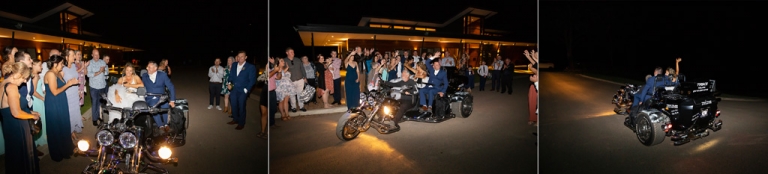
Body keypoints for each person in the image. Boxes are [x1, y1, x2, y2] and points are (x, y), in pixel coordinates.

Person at [1, 61, 41, 173]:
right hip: (18, 127)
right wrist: (32, 116)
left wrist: (30, 111)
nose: (24, 81)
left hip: (8, 126)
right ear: (18, 75)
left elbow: (8, 107)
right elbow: (16, 113)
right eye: (24, 78)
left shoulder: (2, 84)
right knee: (23, 155)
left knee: (14, 155)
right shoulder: (12, 87)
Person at [44, 55, 78, 162]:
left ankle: (66, 149)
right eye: (61, 63)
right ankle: (58, 152)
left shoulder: (58, 73)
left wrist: (70, 82)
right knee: (56, 127)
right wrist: (68, 84)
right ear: (55, 64)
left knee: (64, 125)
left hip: (61, 101)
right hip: (54, 104)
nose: (63, 65)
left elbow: (61, 87)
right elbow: (54, 92)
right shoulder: (50, 74)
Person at [141, 61, 176, 132]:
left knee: (165, 105)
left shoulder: (162, 75)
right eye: (147, 67)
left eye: (149, 67)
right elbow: (140, 85)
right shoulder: (144, 76)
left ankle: (166, 124)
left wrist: (172, 100)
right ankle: (160, 126)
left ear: (155, 68)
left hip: (161, 97)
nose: (147, 68)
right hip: (150, 98)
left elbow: (171, 86)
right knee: (153, 108)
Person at [226, 51, 256, 130]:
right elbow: (231, 76)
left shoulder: (250, 67)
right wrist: (230, 84)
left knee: (241, 106)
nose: (240, 58)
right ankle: (235, 119)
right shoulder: (234, 64)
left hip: (243, 90)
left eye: (242, 56)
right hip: (234, 89)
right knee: (233, 105)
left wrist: (246, 89)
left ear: (246, 57)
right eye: (239, 56)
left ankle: (241, 123)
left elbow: (252, 80)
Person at [62, 50, 83, 136]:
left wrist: (79, 91)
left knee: (75, 112)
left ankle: (74, 129)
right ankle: (70, 132)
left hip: (75, 93)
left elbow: (75, 79)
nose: (74, 57)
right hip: (68, 94)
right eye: (72, 55)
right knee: (70, 114)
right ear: (66, 57)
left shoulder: (74, 66)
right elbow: (60, 83)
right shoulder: (62, 68)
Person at [87, 49, 108, 126]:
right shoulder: (89, 63)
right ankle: (94, 119)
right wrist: (99, 71)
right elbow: (89, 74)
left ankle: (99, 116)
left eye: (98, 55)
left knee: (100, 103)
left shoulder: (102, 62)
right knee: (94, 102)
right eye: (95, 55)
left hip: (102, 86)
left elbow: (107, 73)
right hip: (94, 87)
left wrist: (104, 71)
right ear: (92, 55)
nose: (97, 56)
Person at [31, 58, 48, 153]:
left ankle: (39, 139)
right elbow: (33, 91)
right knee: (39, 120)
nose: (41, 67)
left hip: (39, 99)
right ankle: (37, 141)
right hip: (37, 101)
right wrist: (42, 98)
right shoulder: (35, 76)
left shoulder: (35, 75)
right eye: (39, 65)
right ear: (33, 65)